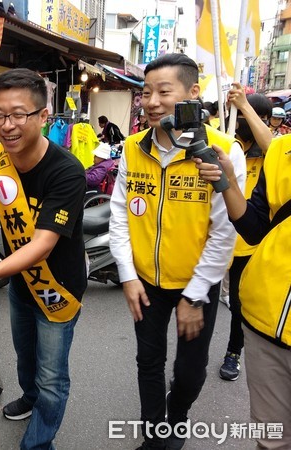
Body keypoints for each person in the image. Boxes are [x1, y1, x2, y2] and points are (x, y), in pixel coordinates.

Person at [109, 53, 246, 450]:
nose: (151, 101)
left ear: (192, 93)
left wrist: (195, 293)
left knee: (188, 373)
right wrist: (127, 275)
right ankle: (156, 436)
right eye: (146, 92)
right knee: (148, 363)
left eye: (163, 92)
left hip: (195, 285)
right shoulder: (133, 147)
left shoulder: (221, 151)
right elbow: (119, 212)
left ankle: (178, 414)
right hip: (145, 284)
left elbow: (224, 233)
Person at [0, 68, 86, 450]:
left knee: (52, 373)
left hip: (58, 288)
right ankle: (30, 397)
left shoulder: (66, 171)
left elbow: (42, 245)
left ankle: (39, 443)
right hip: (22, 282)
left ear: (44, 116)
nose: (7, 125)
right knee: (26, 356)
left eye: (19, 114)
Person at [194, 134, 291, 448]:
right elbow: (254, 227)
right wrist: (227, 182)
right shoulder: (280, 150)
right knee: (272, 439)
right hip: (265, 324)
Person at [217, 87, 272, 382]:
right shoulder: (227, 144)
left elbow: (273, 146)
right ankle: (189, 363)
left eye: (265, 117)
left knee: (238, 304)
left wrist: (246, 107)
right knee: (199, 303)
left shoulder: (268, 155)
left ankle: (233, 352)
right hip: (215, 239)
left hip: (248, 245)